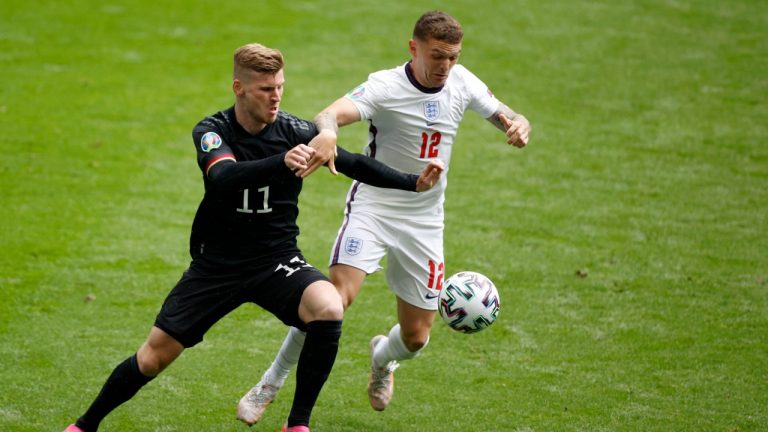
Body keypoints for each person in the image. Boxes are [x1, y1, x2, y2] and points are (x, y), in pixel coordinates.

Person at [63, 43, 443, 432]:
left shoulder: (296, 130)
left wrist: (412, 183)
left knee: (329, 306)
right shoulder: (212, 131)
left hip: (275, 260)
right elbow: (223, 177)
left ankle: (298, 425)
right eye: (265, 89)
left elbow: (353, 164)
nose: (275, 96)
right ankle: (83, 425)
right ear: (238, 88)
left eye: (279, 86)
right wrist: (280, 162)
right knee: (152, 358)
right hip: (218, 265)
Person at [236, 10, 531, 425]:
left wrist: (518, 126)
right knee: (330, 301)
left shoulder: (463, 83)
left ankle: (382, 360)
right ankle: (271, 382)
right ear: (414, 48)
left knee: (415, 337)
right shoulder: (385, 86)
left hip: (425, 220)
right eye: (437, 56)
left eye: (454, 57)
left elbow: (510, 115)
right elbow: (329, 114)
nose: (445, 66)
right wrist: (328, 133)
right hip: (373, 207)